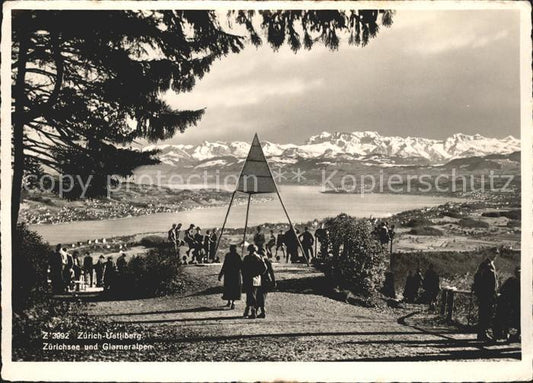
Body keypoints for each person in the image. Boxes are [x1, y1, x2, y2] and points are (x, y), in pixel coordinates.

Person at [472, 257, 498, 341]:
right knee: (485, 314)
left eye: (496, 253)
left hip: (486, 294)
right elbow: (489, 281)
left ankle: (482, 333)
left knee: (485, 314)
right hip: (486, 294)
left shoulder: (488, 265)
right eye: (494, 253)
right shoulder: (486, 265)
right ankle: (483, 333)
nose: (495, 255)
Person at [494, 266, 520, 342]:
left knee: (517, 320)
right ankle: (505, 333)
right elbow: (502, 289)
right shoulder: (511, 280)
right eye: (517, 272)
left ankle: (517, 334)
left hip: (517, 304)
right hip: (509, 303)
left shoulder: (524, 282)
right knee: (506, 318)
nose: (518, 274)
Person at [241, 244, 267, 319]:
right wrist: (259, 273)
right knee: (254, 296)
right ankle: (251, 311)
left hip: (249, 279)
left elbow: (243, 269)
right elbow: (264, 268)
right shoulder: (259, 257)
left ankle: (253, 312)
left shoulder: (247, 258)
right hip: (257, 279)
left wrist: (245, 277)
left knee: (250, 296)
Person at [218, 245, 242, 309]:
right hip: (235, 275)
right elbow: (241, 266)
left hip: (229, 274)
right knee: (234, 288)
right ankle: (232, 302)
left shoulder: (228, 255)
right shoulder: (237, 256)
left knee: (229, 288)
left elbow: (224, 266)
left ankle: (229, 302)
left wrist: (221, 274)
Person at [257, 251, 276, 318]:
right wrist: (274, 281)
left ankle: (261, 311)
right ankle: (260, 311)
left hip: (260, 280)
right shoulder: (267, 261)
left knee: (259, 296)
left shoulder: (258, 261)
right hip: (266, 280)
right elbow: (271, 272)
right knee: (262, 296)